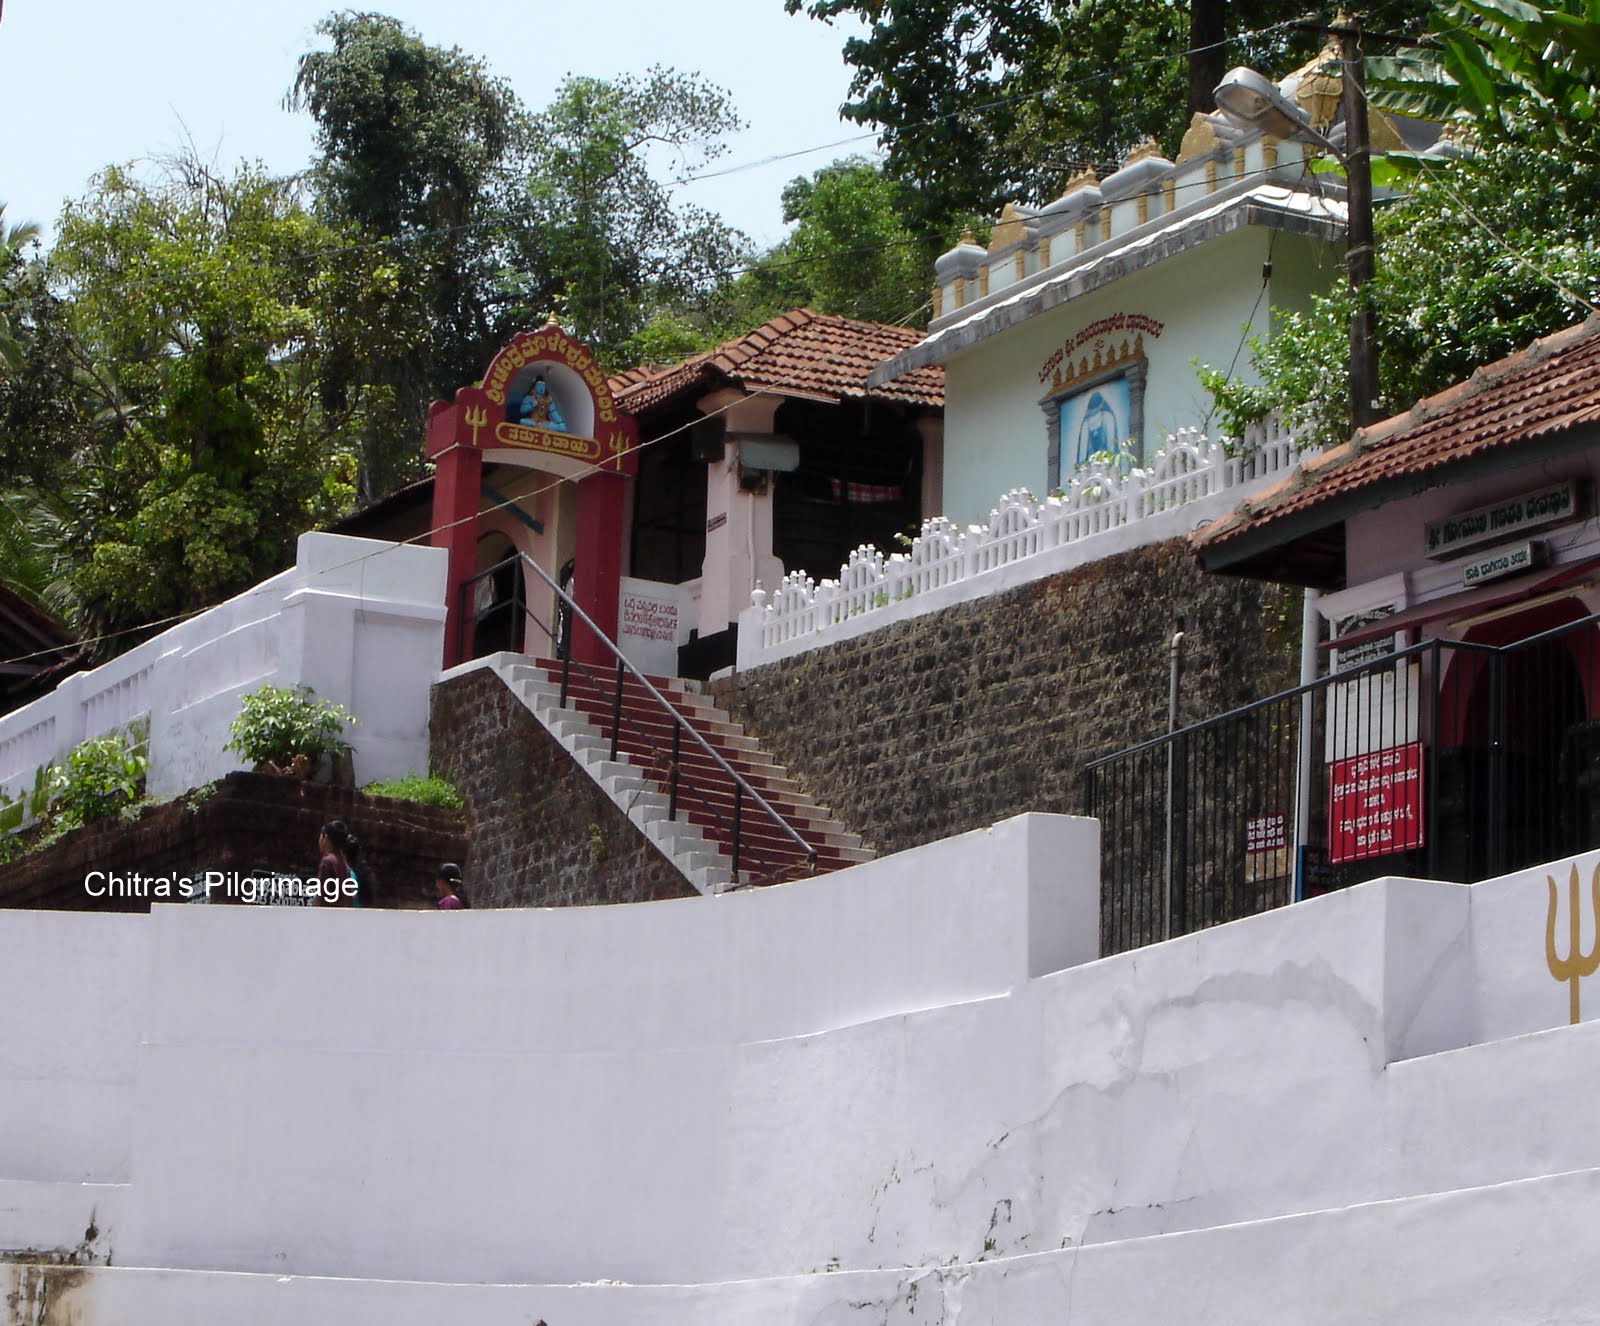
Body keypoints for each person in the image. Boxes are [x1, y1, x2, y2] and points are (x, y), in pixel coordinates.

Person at [316, 820, 367, 907]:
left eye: (321, 836)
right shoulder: (343, 864)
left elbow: (320, 896)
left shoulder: (327, 862)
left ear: (326, 838)